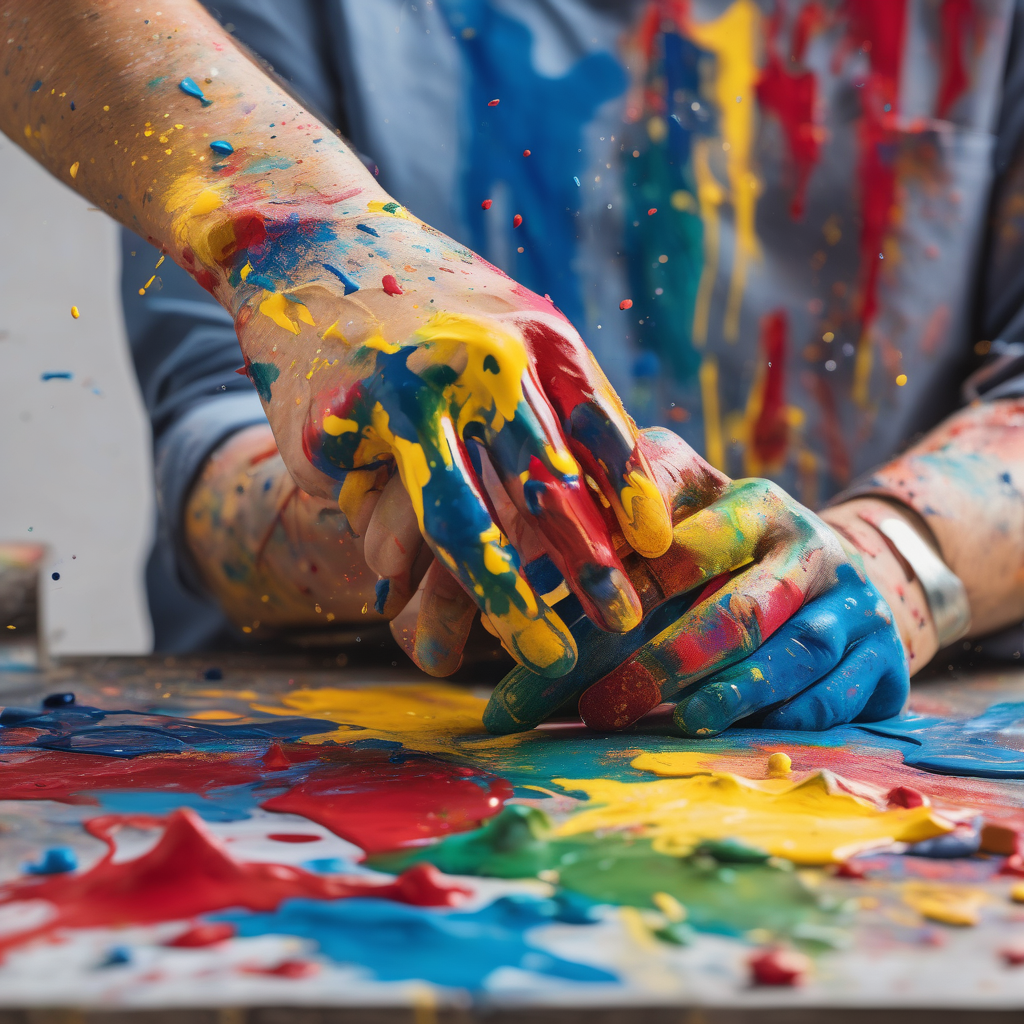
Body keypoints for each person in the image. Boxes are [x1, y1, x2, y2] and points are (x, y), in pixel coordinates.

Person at [2, 0, 1021, 738]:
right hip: (360, 782)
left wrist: (892, 561)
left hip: (891, 765)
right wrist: (457, 520)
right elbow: (212, 459)